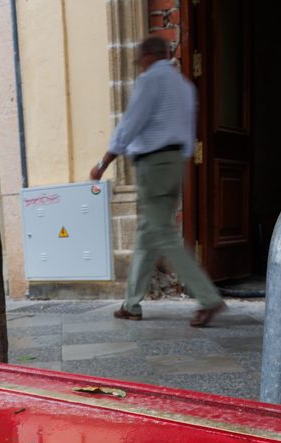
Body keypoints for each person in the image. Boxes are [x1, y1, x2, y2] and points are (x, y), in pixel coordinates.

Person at [90, 35, 224, 327]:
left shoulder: (150, 81)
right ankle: (131, 303)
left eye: (140, 60)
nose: (140, 66)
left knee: (162, 233)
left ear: (149, 57)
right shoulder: (185, 86)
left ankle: (208, 298)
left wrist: (104, 162)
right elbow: (189, 131)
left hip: (154, 163)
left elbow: (130, 124)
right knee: (148, 233)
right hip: (175, 162)